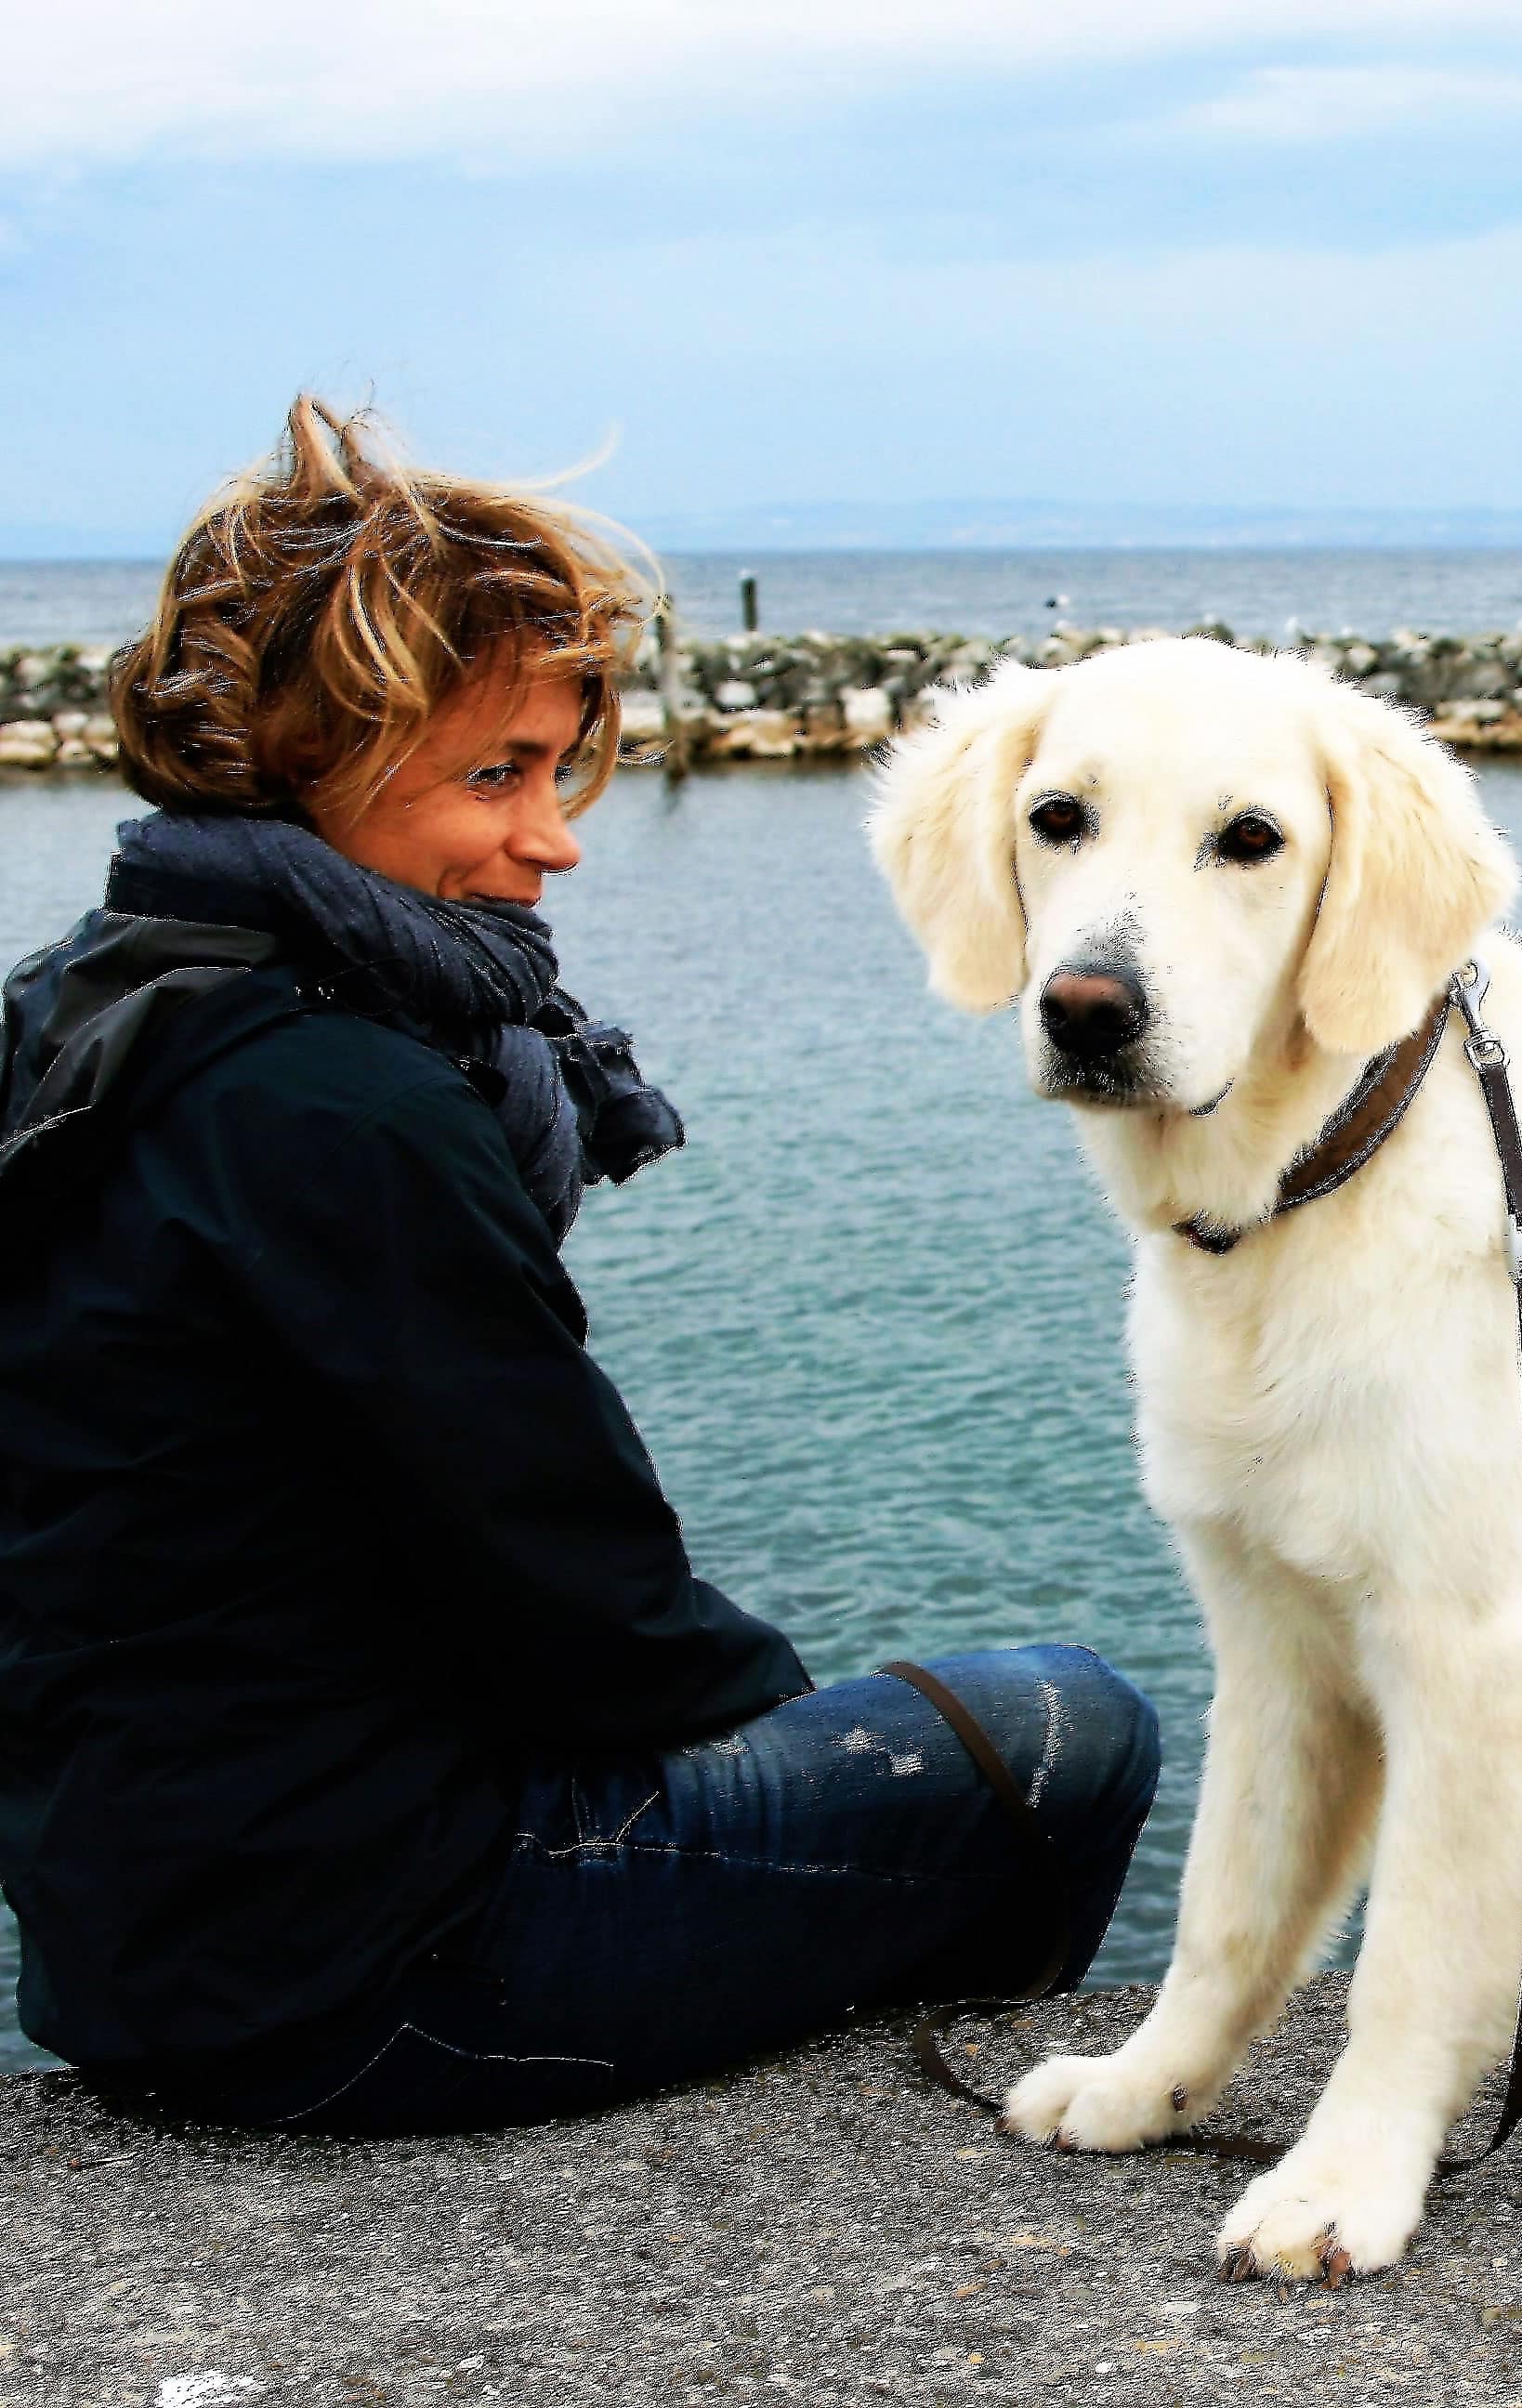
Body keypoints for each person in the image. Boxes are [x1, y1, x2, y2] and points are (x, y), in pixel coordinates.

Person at [0, 399, 1159, 2136]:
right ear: (293, 759)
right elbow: (601, 1609)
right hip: (372, 1977)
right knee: (1070, 1728)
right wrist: (788, 1752)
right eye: (493, 776)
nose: (554, 840)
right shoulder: (346, 1104)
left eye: (556, 769)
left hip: (141, 1950)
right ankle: (904, 2152)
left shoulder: (89, 1003)